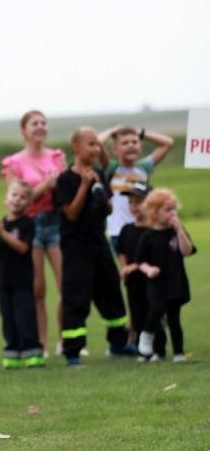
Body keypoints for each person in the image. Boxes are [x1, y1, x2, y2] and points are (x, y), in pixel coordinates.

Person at [54, 127, 134, 366]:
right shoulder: (65, 179)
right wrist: (84, 185)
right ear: (76, 147)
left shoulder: (99, 173)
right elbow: (71, 213)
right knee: (76, 298)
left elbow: (108, 208)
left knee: (111, 291)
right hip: (76, 249)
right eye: (91, 144)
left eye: (98, 144)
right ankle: (73, 352)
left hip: (99, 243)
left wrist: (100, 193)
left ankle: (118, 343)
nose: (96, 149)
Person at [0, 109, 65, 354]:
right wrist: (45, 185)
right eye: (34, 123)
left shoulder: (57, 157)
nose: (40, 127)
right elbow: (17, 201)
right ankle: (41, 343)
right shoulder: (13, 163)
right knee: (38, 289)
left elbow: (66, 192)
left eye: (43, 123)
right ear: (24, 130)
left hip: (55, 221)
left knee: (66, 285)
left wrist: (58, 187)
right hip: (30, 225)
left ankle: (65, 340)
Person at [0, 180, 44, 369]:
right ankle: (12, 354)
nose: (17, 199)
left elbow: (23, 248)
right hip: (3, 282)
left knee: (25, 318)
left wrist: (2, 233)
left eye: (23, 197)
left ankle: (33, 353)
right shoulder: (1, 223)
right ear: (6, 198)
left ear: (29, 204)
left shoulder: (27, 224)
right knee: (8, 319)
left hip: (22, 282)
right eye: (14, 195)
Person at [135, 189, 196, 364]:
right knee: (156, 308)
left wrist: (180, 230)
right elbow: (140, 261)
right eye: (168, 210)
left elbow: (187, 251)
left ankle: (178, 352)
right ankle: (147, 336)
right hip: (156, 283)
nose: (172, 213)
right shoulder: (148, 236)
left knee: (174, 319)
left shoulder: (176, 232)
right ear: (154, 213)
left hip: (175, 282)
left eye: (174, 209)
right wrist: (148, 270)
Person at [97, 123, 174, 252]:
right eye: (125, 143)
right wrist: (113, 131)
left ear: (140, 147)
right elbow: (98, 143)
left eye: (134, 142)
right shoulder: (112, 169)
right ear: (115, 149)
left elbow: (168, 143)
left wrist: (141, 133)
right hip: (119, 232)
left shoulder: (143, 168)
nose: (131, 145)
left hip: (144, 229)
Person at [115, 183, 155, 352]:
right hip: (133, 282)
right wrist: (124, 267)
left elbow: (154, 256)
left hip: (151, 280)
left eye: (139, 202)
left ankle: (154, 344)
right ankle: (137, 342)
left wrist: (135, 266)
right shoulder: (127, 230)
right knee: (135, 311)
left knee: (152, 311)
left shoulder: (154, 231)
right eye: (131, 202)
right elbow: (121, 251)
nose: (134, 206)